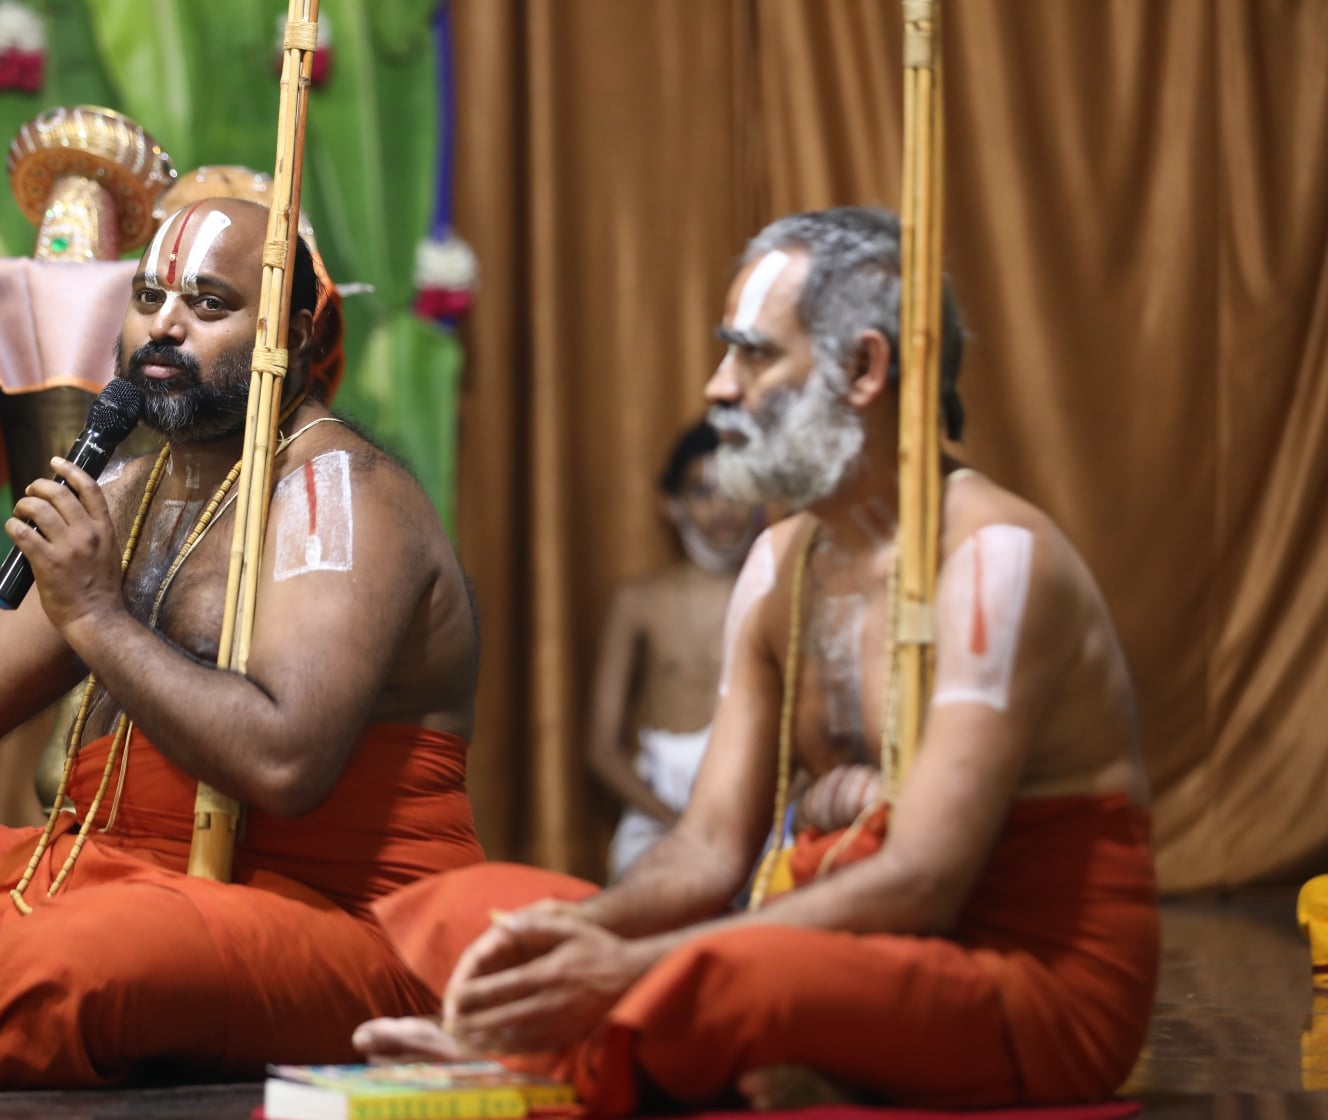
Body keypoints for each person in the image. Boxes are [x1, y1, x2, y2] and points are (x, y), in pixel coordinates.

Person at [355, 207, 1158, 1111]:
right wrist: (576, 934)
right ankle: (625, 1038)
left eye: (752, 354)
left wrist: (624, 969)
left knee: (740, 982)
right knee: (482, 911)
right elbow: (704, 849)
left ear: (864, 368)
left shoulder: (991, 559)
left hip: (1024, 984)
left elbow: (927, 882)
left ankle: (540, 1058)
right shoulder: (782, 565)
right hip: (838, 956)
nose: (717, 387)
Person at [0, 199, 484, 1089]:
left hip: (336, 918)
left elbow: (286, 764)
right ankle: (0, 996)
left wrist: (95, 615)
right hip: (113, 876)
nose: (164, 324)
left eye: (209, 304)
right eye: (149, 294)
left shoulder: (338, 493)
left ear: (294, 329)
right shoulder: (129, 488)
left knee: (81, 961)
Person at [589, 420, 763, 880]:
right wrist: (678, 825)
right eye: (703, 492)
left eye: (736, 489)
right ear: (671, 505)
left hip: (758, 813)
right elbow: (601, 747)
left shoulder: (778, 597)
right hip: (659, 819)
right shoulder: (640, 603)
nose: (723, 507)